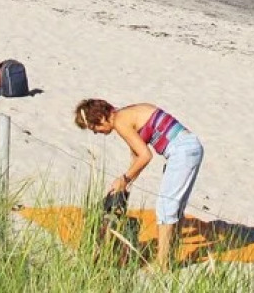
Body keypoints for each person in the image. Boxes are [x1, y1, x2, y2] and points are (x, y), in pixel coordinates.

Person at [74, 99, 204, 269]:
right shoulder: (124, 114)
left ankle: (162, 265)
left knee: (166, 207)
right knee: (175, 207)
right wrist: (124, 186)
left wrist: (124, 179)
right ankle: (169, 259)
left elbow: (145, 156)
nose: (95, 133)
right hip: (189, 147)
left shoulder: (120, 121)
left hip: (182, 151)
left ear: (101, 117)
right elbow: (136, 157)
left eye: (94, 128)